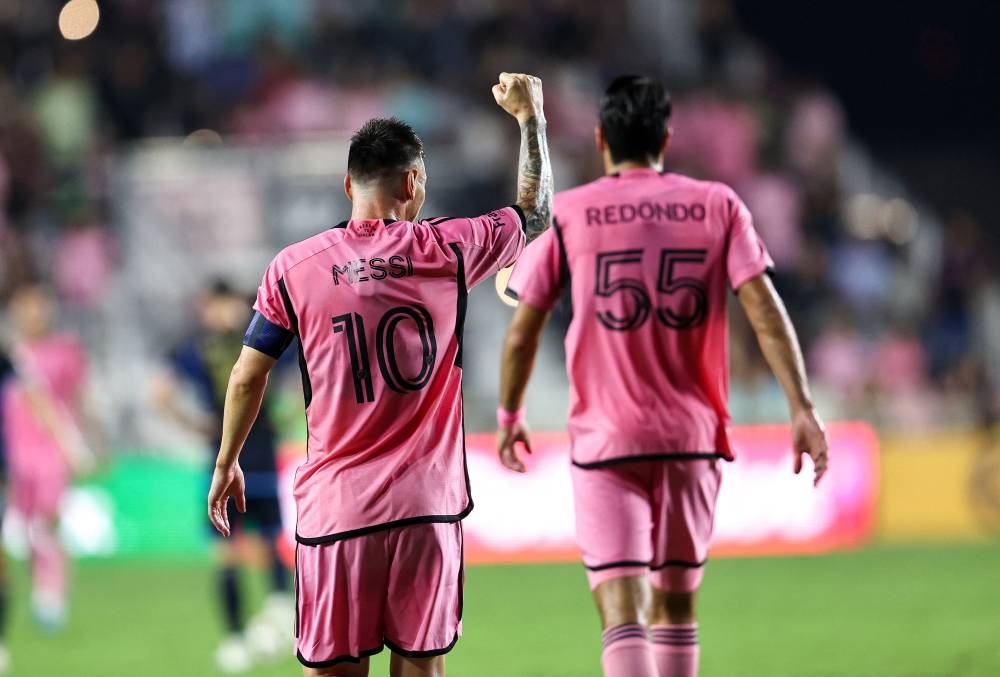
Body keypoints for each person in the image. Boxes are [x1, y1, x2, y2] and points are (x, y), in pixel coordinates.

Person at [207, 71, 551, 677]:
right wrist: (531, 120)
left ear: (347, 185)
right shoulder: (450, 249)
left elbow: (245, 377)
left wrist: (227, 460)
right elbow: (536, 213)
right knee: (421, 667)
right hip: (427, 507)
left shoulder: (293, 268)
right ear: (413, 182)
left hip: (337, 511)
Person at [498, 75, 830, 677]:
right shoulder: (717, 204)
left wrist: (510, 415)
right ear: (667, 139)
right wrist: (802, 407)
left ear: (601, 139)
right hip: (692, 439)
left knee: (624, 613)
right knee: (677, 611)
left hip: (606, 442)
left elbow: (523, 330)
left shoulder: (572, 213)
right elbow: (763, 309)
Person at [154, 280, 293, 673]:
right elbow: (160, 392)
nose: (219, 312)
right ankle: (239, 636)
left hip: (256, 453)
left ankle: (275, 615)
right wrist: (193, 425)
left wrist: (287, 412)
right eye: (214, 305)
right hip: (227, 454)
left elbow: (296, 373)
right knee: (229, 553)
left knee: (267, 542)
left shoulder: (257, 334)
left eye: (225, 304)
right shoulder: (200, 346)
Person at [0, 284, 92, 632]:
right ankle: (39, 585)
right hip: (15, 453)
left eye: (39, 306)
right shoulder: (12, 354)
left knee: (48, 522)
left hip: (53, 450)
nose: (33, 314)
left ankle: (51, 592)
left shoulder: (66, 351)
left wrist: (78, 442)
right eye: (26, 307)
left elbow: (78, 397)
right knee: (23, 529)